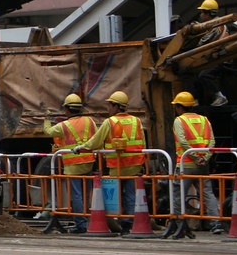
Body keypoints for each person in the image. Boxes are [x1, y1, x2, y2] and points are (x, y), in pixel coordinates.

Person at [73, 90, 147, 235]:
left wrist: (81, 147)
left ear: (116, 106)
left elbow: (96, 140)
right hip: (134, 163)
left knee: (113, 196)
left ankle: (113, 221)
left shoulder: (110, 122)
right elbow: (143, 142)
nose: (108, 108)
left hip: (118, 165)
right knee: (131, 195)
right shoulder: (136, 120)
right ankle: (127, 224)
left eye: (110, 105)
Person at [163, 91, 225, 238]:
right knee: (207, 193)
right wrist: (204, 158)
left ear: (179, 107)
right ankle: (216, 223)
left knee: (178, 194)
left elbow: (183, 142)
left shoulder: (179, 121)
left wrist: (195, 157)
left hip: (186, 164)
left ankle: (179, 223)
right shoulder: (204, 120)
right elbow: (212, 142)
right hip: (203, 165)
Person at [44, 94, 97, 234]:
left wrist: (46, 119)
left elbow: (48, 131)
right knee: (87, 194)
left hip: (73, 165)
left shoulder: (64, 125)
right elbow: (96, 138)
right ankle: (89, 220)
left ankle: (81, 224)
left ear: (67, 109)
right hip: (89, 162)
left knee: (77, 195)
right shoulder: (90, 121)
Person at [188, 0, 229, 107]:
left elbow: (202, 44)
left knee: (204, 75)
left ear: (209, 13)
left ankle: (220, 97)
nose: (201, 15)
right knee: (196, 74)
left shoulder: (216, 27)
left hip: (220, 59)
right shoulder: (216, 24)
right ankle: (196, 100)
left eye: (202, 12)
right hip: (216, 58)